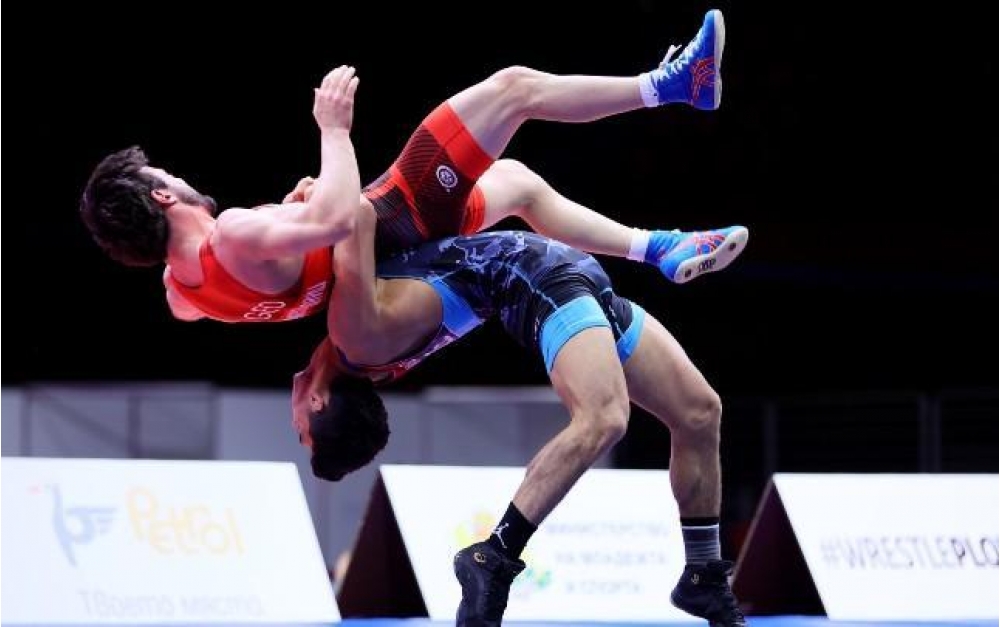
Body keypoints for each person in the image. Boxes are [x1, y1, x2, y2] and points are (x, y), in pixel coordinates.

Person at [78, 10, 745, 324]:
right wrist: (333, 130)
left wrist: (289, 215)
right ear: (163, 198)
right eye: (166, 175)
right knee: (513, 89)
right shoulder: (233, 233)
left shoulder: (182, 293)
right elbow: (336, 220)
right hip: (396, 214)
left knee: (518, 185)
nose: (179, 177)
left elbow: (278, 271)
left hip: (390, 260)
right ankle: (674, 85)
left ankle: (660, 249)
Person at [290, 192, 746, 624]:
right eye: (301, 432)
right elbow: (357, 210)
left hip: (568, 276)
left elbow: (362, 216)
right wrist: (312, 196)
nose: (294, 424)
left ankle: (702, 576)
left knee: (699, 411)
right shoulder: (357, 341)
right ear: (317, 402)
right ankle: (494, 556)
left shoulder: (366, 352)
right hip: (539, 281)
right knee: (603, 418)